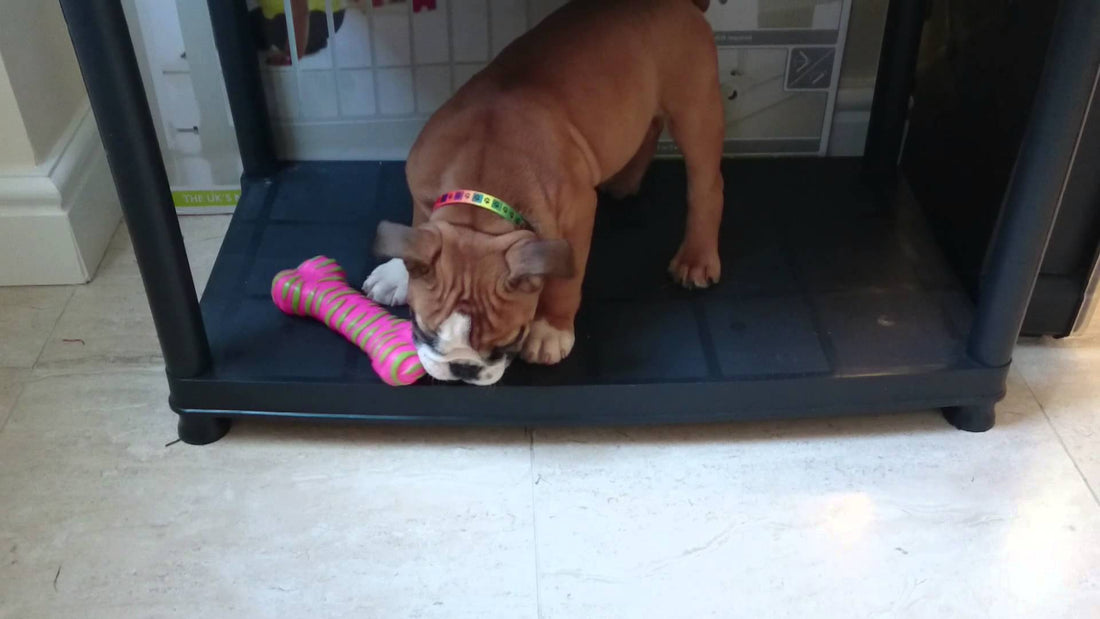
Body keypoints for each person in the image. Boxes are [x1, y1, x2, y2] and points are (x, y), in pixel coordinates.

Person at [249, 0, 347, 66]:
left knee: (254, 33)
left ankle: (312, 43)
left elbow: (300, 12)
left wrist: (291, 56)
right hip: (324, 9)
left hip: (321, 18)